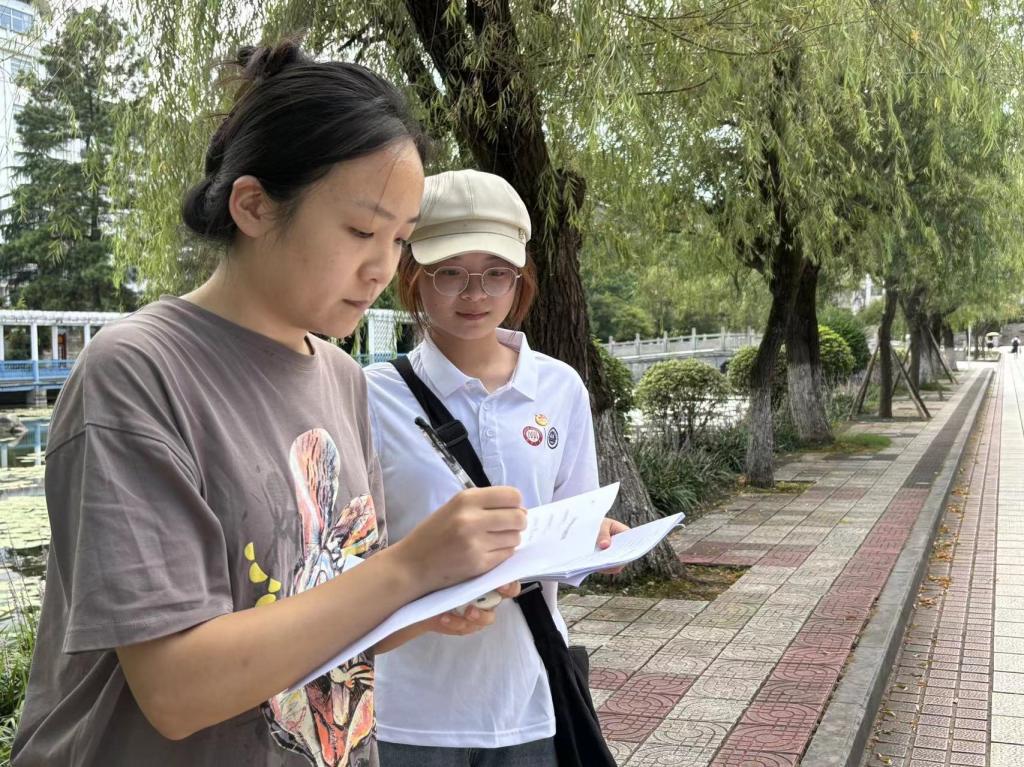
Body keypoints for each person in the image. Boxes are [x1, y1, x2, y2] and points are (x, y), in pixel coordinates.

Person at [12, 43, 527, 767]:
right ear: (253, 205)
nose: (382, 268)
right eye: (361, 231)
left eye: (400, 240)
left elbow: (329, 606)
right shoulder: (139, 371)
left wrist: (433, 597)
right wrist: (409, 569)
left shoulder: (342, 378)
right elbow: (177, 688)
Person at [365, 170, 625, 767]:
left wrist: (597, 539)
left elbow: (571, 522)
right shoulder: (370, 395)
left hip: (527, 692)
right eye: (449, 272)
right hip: (406, 706)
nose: (474, 294)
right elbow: (349, 554)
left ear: (520, 278)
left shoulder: (558, 387)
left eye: (496, 273)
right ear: (413, 275)